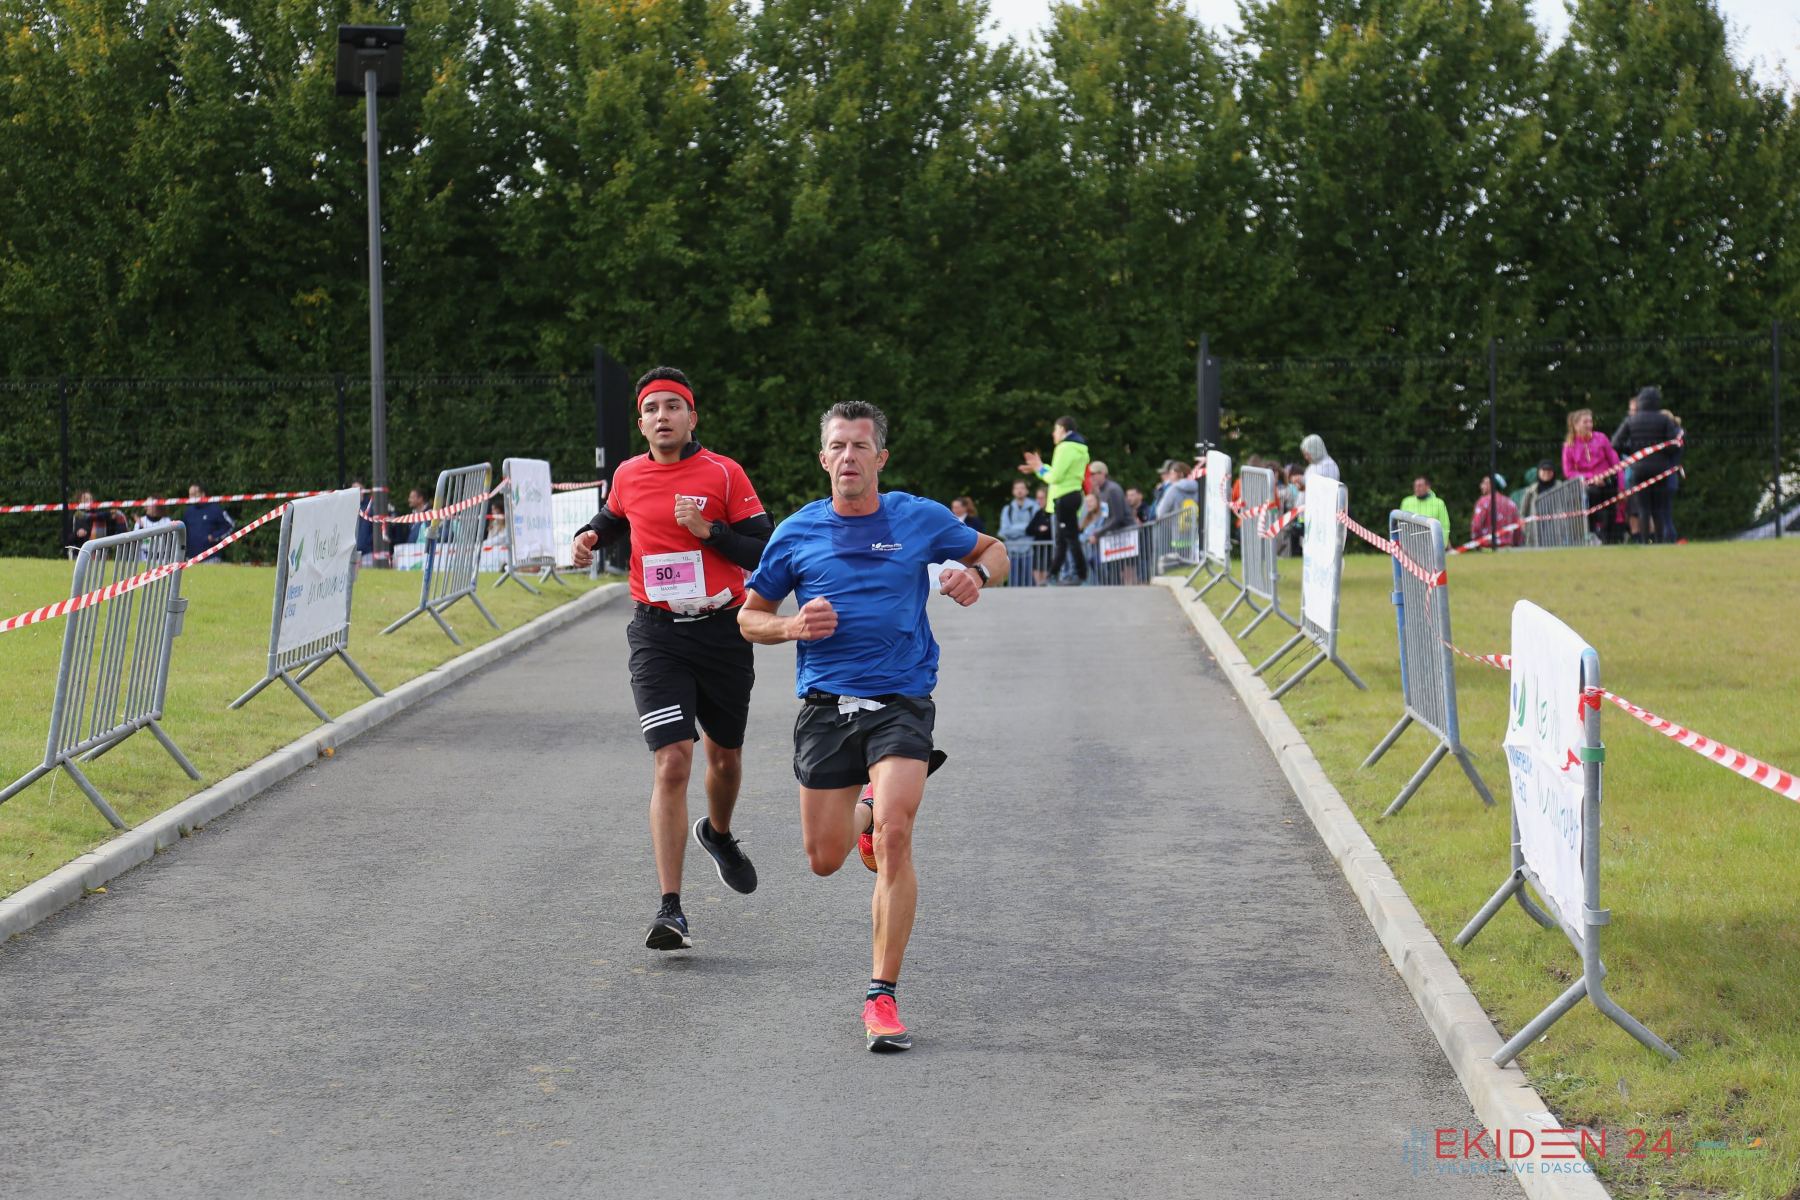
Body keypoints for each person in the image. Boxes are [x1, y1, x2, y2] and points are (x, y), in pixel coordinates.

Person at [739, 400, 1007, 1052]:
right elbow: (749, 618)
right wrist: (791, 626)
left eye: (861, 446)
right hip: (826, 707)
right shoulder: (797, 532)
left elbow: (995, 550)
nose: (849, 457)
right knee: (824, 859)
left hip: (901, 699)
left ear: (880, 458)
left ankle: (881, 996)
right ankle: (863, 810)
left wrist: (976, 575)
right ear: (823, 458)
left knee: (897, 834)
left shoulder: (917, 517)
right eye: (838, 446)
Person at [571, 366, 773, 951]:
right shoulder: (628, 474)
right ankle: (670, 908)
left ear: (691, 417)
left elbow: (765, 547)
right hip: (657, 634)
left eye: (673, 406)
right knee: (672, 762)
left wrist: (710, 532)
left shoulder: (724, 473)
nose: (663, 416)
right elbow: (613, 518)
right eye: (652, 408)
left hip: (723, 630)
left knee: (725, 758)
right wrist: (589, 535)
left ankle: (720, 833)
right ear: (641, 423)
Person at [1019, 416, 1089, 585]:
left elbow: (1055, 477)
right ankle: (1053, 574)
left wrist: (1039, 469)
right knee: (1062, 540)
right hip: (1072, 494)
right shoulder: (1080, 447)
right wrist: (1041, 467)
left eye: (1055, 429)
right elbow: (1061, 474)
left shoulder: (1064, 447)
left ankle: (1079, 574)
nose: (1053, 434)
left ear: (1062, 429)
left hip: (1064, 497)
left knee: (1069, 538)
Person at [1612, 386, 1683, 544]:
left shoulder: (1631, 420)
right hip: (1660, 469)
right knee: (1658, 508)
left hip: (1639, 469)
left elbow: (1615, 443)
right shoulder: (1664, 420)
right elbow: (1675, 444)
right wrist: (1663, 454)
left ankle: (1645, 542)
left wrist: (1633, 453)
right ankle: (1659, 542)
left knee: (1643, 508)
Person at [1561, 408, 1622, 543]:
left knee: (1610, 512)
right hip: (1588, 487)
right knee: (1592, 499)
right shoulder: (1569, 445)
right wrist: (1591, 478)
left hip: (1608, 482)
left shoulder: (1601, 438)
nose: (1589, 425)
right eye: (1585, 422)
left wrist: (1621, 486)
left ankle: (1608, 541)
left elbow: (1615, 462)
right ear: (1576, 425)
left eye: (1590, 421)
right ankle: (1594, 535)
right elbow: (1568, 471)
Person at [1083, 461, 1132, 584]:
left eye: (1094, 474)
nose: (1091, 477)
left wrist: (1098, 533)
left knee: (1116, 570)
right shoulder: (1101, 491)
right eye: (1090, 474)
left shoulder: (1112, 490)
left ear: (1103, 474)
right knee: (1103, 567)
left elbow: (1117, 517)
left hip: (1124, 535)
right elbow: (1106, 516)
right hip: (1112, 535)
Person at [996, 479, 1040, 587]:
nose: (1019, 491)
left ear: (1027, 491)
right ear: (1013, 491)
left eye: (1022, 488)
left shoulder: (1034, 507)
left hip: (1030, 551)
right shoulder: (1008, 509)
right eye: (1017, 488)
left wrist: (1015, 529)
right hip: (1012, 552)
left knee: (1030, 583)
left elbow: (1034, 528)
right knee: (1013, 583)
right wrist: (1025, 529)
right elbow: (1004, 531)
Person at [181, 484, 235, 561]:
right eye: (190, 495)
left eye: (194, 494)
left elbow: (230, 525)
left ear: (202, 494)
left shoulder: (215, 509)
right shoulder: (188, 512)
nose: (191, 497)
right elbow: (182, 532)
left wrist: (214, 536)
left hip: (211, 558)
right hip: (191, 559)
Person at [1470, 474, 1521, 547]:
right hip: (1507, 549)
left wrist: (1475, 542)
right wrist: (1516, 543)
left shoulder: (1483, 502)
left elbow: (1476, 526)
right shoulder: (1511, 503)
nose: (1481, 486)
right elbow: (1517, 528)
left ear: (1492, 485)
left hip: (1488, 547)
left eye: (1485, 483)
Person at [1400, 476, 1451, 545]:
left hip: (1432, 544)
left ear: (1428, 487)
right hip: (1411, 544)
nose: (1417, 488)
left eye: (1420, 486)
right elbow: (1401, 524)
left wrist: (1442, 544)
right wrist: (1403, 543)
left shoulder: (1439, 503)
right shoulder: (1406, 502)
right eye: (1415, 486)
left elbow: (1444, 525)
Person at [1024, 485, 1054, 583]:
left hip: (1050, 551)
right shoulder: (1039, 513)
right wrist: (1039, 529)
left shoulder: (1053, 514)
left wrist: (1045, 529)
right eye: (1038, 498)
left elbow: (1053, 531)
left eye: (1041, 498)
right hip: (1038, 550)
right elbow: (1028, 530)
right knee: (1037, 575)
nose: (1039, 501)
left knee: (1046, 578)